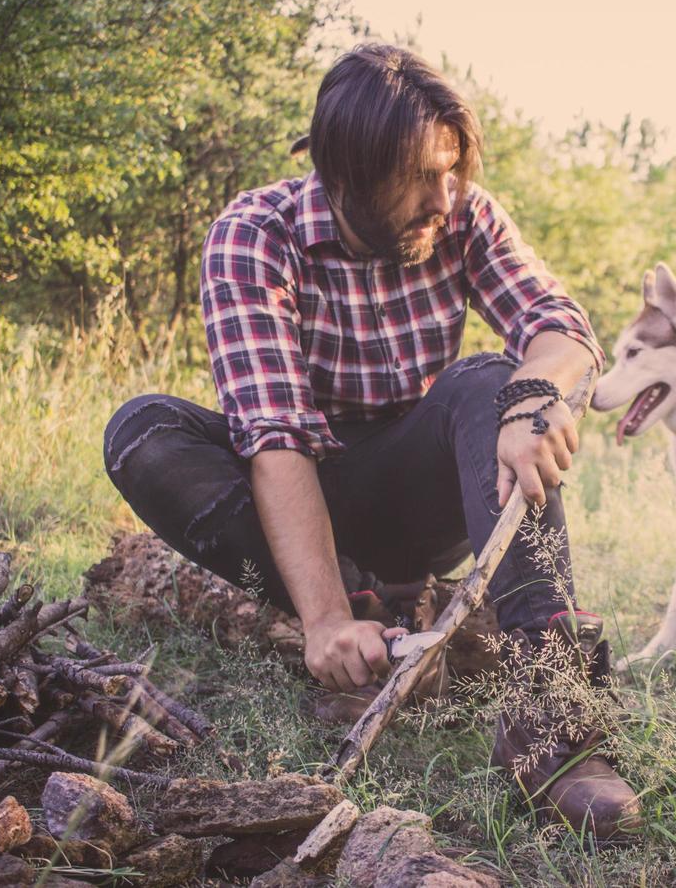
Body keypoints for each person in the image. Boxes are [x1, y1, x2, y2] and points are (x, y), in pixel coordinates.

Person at [102, 44, 640, 840]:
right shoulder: (257, 235)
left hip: (421, 493)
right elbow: (275, 440)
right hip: (298, 498)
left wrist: (535, 396)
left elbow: (561, 328)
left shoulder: (465, 213)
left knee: (493, 377)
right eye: (424, 175)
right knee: (141, 429)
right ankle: (365, 618)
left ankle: (546, 711)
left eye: (453, 169)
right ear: (348, 171)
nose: (445, 194)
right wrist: (322, 618)